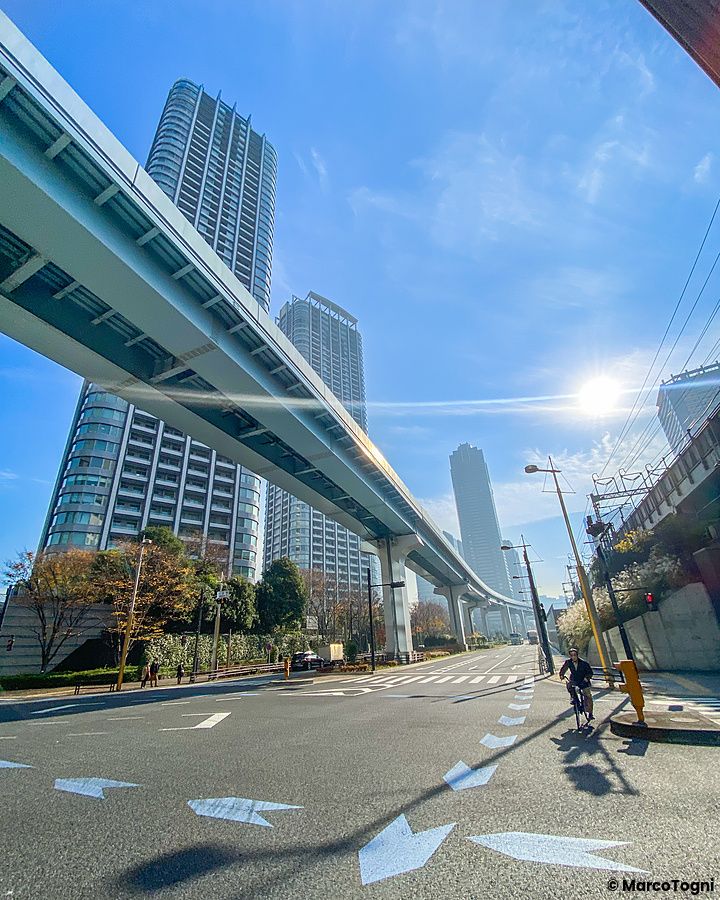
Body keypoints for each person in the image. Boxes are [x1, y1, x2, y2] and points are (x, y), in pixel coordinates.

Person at [558, 648, 594, 720]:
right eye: (571, 655)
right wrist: (561, 675)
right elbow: (563, 669)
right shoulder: (568, 662)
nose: (573, 657)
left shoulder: (584, 663)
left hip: (584, 681)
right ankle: (574, 699)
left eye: (574, 655)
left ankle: (590, 713)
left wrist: (587, 678)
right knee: (569, 685)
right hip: (574, 680)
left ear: (577, 655)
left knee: (588, 696)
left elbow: (590, 672)